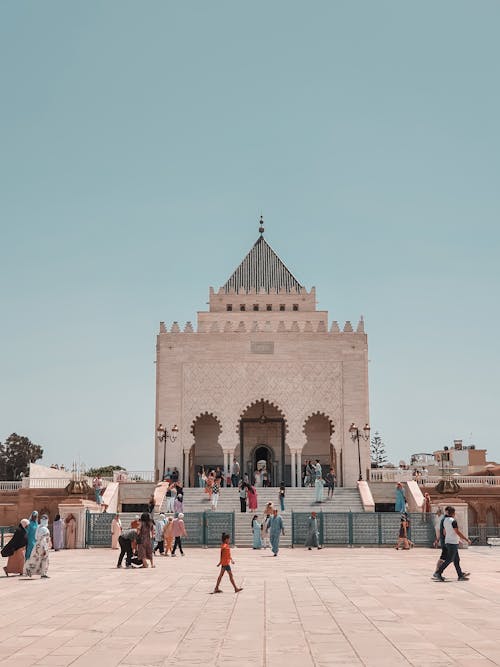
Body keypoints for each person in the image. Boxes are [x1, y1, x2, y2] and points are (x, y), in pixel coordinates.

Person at [433, 507, 471, 581]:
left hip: (448, 541)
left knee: (456, 560)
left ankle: (460, 576)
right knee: (450, 559)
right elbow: (457, 532)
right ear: (453, 513)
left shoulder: (444, 520)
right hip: (453, 542)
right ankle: (438, 573)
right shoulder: (453, 521)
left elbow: (444, 532)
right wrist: (466, 539)